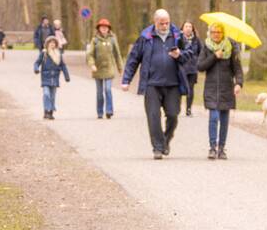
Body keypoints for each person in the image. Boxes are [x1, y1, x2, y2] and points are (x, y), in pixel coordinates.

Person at [121, 9, 195, 159]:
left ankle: (165, 140)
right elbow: (133, 59)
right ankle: (157, 147)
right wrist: (126, 80)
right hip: (152, 84)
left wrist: (179, 55)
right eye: (161, 23)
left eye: (167, 23)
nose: (165, 26)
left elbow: (190, 52)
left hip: (173, 84)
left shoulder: (177, 35)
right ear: (155, 22)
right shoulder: (145, 37)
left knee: (173, 115)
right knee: (153, 116)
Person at [197, 22, 243, 160]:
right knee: (214, 117)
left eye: (219, 32)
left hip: (226, 88)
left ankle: (222, 148)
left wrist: (238, 83)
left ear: (223, 33)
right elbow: (200, 66)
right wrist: (214, 57)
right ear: (210, 33)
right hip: (211, 88)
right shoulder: (206, 46)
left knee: (224, 120)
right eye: (213, 32)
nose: (216, 34)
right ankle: (212, 147)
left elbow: (237, 68)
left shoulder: (231, 47)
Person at [86, 19, 124, 119]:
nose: (104, 29)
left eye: (106, 27)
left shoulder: (112, 39)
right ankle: (99, 112)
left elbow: (117, 54)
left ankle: (109, 110)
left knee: (107, 89)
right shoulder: (95, 40)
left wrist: (120, 68)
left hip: (109, 68)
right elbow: (90, 55)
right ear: (98, 28)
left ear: (108, 29)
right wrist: (92, 64)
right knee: (99, 93)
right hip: (97, 69)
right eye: (102, 27)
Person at [34, 35, 70, 119]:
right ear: (47, 44)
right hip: (45, 77)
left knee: (52, 97)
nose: (52, 44)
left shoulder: (59, 54)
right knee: (46, 94)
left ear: (56, 44)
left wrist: (66, 76)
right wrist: (36, 69)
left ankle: (50, 113)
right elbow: (37, 63)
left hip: (55, 78)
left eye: (54, 43)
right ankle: (47, 110)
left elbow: (63, 65)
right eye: (50, 42)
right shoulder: (44, 53)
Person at [180, 20, 203, 117]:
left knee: (190, 89)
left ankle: (188, 109)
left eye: (190, 26)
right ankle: (176, 108)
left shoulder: (196, 40)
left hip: (193, 68)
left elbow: (201, 52)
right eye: (186, 26)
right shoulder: (179, 39)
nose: (188, 28)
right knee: (179, 88)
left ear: (192, 29)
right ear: (182, 28)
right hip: (181, 68)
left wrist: (197, 61)